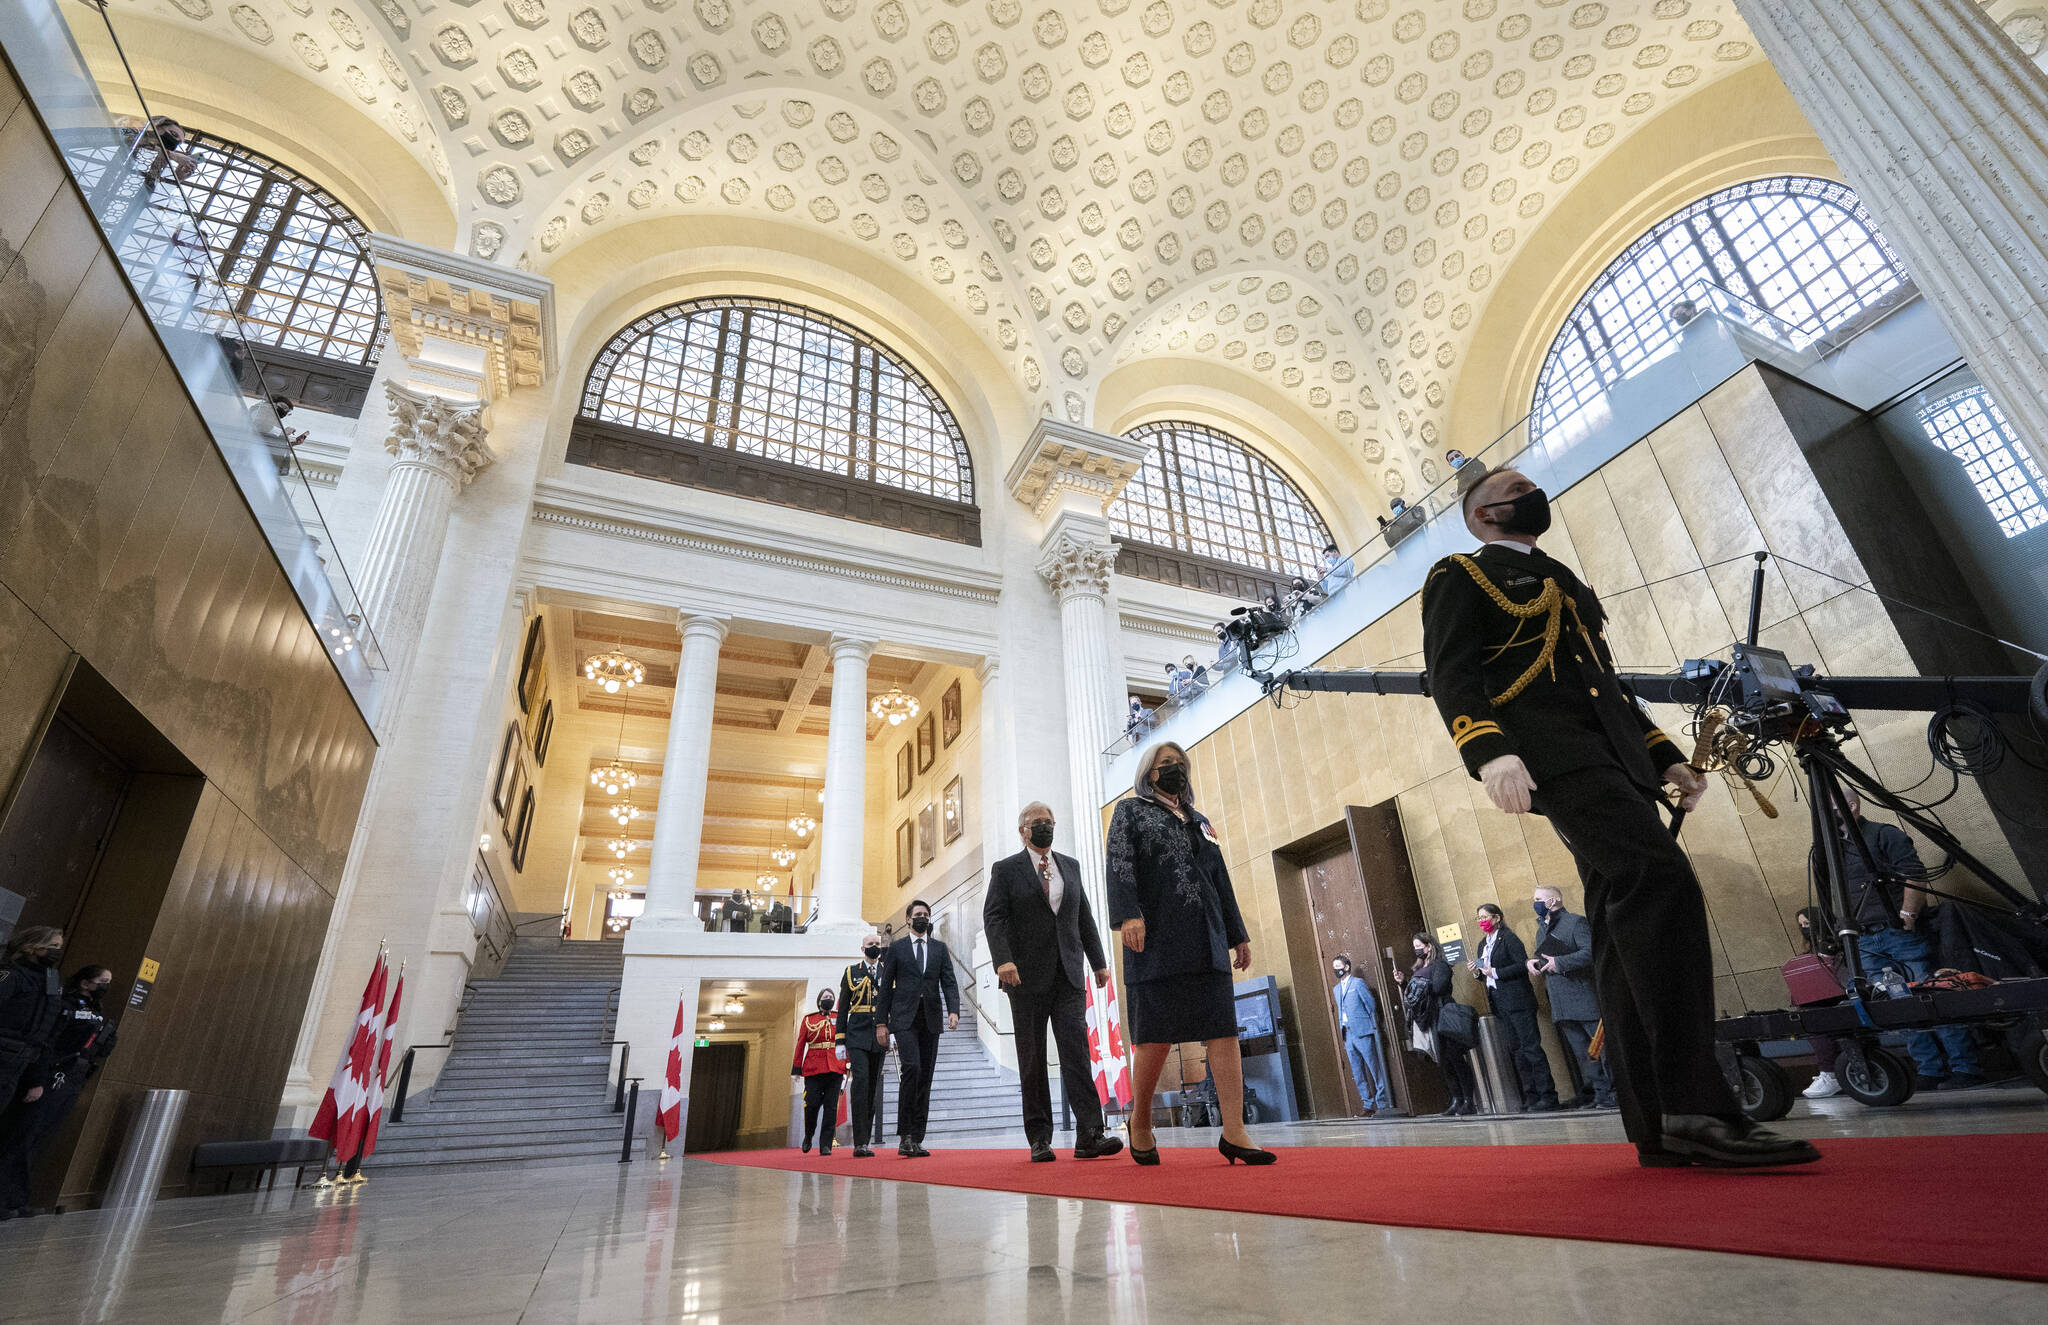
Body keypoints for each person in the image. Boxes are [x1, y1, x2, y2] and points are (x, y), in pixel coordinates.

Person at [1420, 464, 1817, 1168]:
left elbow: (1602, 684)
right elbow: (1452, 671)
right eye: (1511, 485)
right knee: (1660, 882)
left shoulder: (1562, 580)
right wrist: (1488, 751)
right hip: (1552, 759)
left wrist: (1664, 755)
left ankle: (1658, 1120)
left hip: (1614, 760)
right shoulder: (1461, 573)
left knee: (1617, 921)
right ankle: (1697, 1102)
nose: (1529, 489)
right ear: (1482, 515)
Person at [1107, 742, 1275, 1166]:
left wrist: (1238, 934)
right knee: (1156, 1036)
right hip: (1156, 938)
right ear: (1149, 773)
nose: (1175, 770)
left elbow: (1220, 881)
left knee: (1223, 1031)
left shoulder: (1200, 821)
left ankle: (1234, 1131)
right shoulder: (1130, 812)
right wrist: (1127, 914)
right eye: (1166, 765)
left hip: (1208, 940)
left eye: (1180, 764)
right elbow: (1119, 864)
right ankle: (1140, 1121)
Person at [983, 802, 1124, 1162]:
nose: (1045, 826)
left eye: (1049, 821)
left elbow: (1083, 916)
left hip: (1069, 974)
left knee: (1077, 1052)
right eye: (1037, 823)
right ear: (1022, 831)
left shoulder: (1070, 866)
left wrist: (1099, 963)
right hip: (1024, 978)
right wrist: (1003, 960)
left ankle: (1090, 1133)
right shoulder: (1006, 870)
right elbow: (995, 918)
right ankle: (1039, 1138)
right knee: (1032, 1059)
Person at [1824, 790, 1982, 1089]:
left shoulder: (1884, 834)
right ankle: (1930, 1069)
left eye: (1830, 808)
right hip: (1865, 939)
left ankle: (1965, 1067)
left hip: (1897, 932)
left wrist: (1908, 916)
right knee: (1898, 1005)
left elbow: (1914, 873)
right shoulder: (1832, 848)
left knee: (1929, 997)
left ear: (1852, 806)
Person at [0, 964, 116, 1219]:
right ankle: (4, 1199)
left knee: (39, 1138)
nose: (106, 986)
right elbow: (47, 1044)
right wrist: (37, 1080)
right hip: (52, 1073)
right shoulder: (65, 1005)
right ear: (86, 982)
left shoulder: (95, 1010)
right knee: (23, 1134)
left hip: (74, 1076)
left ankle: (16, 1198)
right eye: (102, 981)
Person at [876, 899, 959, 1157]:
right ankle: (905, 1135)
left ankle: (917, 1137)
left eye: (926, 914)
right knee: (912, 1068)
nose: (922, 918)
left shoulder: (939, 949)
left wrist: (953, 1010)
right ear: (909, 920)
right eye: (918, 914)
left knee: (926, 1077)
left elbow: (949, 981)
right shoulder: (897, 949)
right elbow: (885, 988)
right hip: (904, 1019)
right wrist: (881, 1023)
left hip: (930, 1019)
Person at [1528, 886, 1614, 1109]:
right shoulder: (1541, 930)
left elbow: (1590, 952)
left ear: (1553, 900)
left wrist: (1560, 962)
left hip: (1583, 998)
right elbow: (1548, 958)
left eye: (1539, 899)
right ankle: (1600, 1094)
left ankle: (1616, 1092)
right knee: (1584, 1055)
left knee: (1602, 1050)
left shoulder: (1575, 922)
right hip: (1561, 1002)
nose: (1535, 903)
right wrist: (1534, 963)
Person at [1469, 902, 1560, 1111]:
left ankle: (1548, 1095)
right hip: (1499, 1002)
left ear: (1497, 918)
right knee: (1517, 1050)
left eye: (1485, 917)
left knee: (1531, 1048)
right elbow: (1486, 975)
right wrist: (1478, 972)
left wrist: (1497, 972)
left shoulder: (1508, 938)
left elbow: (1522, 965)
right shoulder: (1483, 944)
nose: (1482, 921)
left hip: (1518, 1000)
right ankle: (1530, 1095)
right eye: (1479, 918)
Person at [1395, 933, 1478, 1115]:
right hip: (1429, 1018)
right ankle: (1456, 1099)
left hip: (1443, 1015)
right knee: (1444, 1061)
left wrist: (1421, 985)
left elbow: (1439, 987)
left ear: (1429, 946)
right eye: (1414, 946)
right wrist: (1405, 983)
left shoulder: (1440, 965)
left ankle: (1468, 1101)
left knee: (1456, 1059)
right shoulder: (1419, 967)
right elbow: (1417, 994)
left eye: (1419, 945)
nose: (1417, 949)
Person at [0, 929, 66, 1135]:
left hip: (19, 1062)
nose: (57, 951)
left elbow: (46, 1031)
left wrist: (36, 1078)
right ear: (32, 947)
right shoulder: (11, 974)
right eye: (53, 946)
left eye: (60, 947)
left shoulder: (52, 980)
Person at [834, 932, 890, 1157]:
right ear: (862, 948)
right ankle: (859, 1142)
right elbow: (843, 1008)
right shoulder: (851, 972)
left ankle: (865, 1139)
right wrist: (840, 1039)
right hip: (857, 1035)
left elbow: (891, 1003)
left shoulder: (887, 971)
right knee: (861, 1084)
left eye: (877, 944)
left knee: (872, 1087)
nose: (874, 947)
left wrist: (891, 1032)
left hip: (879, 1035)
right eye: (870, 944)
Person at [1793, 907, 1846, 1100]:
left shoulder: (1837, 943)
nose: (1805, 929)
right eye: (1801, 926)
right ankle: (1831, 1071)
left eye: (1807, 924)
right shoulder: (1808, 950)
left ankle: (1830, 1073)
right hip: (1824, 996)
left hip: (1841, 992)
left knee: (1812, 1018)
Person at [1329, 954, 1391, 1115]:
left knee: (1374, 1068)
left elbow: (1370, 1005)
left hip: (1363, 1032)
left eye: (1339, 966)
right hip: (1347, 1034)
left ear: (1347, 967)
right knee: (1357, 1072)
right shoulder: (1336, 989)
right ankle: (1368, 1105)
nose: (1336, 970)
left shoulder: (1358, 983)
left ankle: (1383, 1103)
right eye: (1334, 967)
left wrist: (1375, 1027)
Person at [790, 988, 844, 1155]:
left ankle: (826, 1144)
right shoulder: (809, 1019)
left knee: (830, 1107)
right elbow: (800, 1044)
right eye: (826, 997)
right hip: (813, 1068)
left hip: (835, 1067)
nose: (829, 999)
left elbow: (845, 1042)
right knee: (811, 1104)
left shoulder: (839, 1018)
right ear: (819, 1001)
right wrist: (796, 1069)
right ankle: (809, 1134)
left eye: (831, 997)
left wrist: (848, 1065)